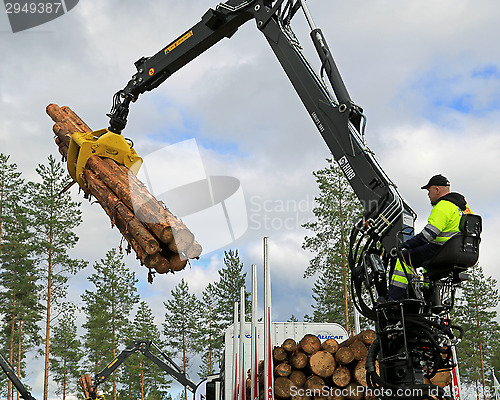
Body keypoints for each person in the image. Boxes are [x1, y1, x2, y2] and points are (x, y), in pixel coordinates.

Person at [387, 174, 472, 301]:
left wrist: (406, 245)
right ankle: (428, 297)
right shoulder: (464, 208)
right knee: (426, 262)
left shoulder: (443, 206)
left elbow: (427, 236)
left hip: (443, 250)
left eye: (429, 190)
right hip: (463, 253)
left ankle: (394, 300)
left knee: (404, 258)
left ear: (437, 190)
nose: (428, 194)